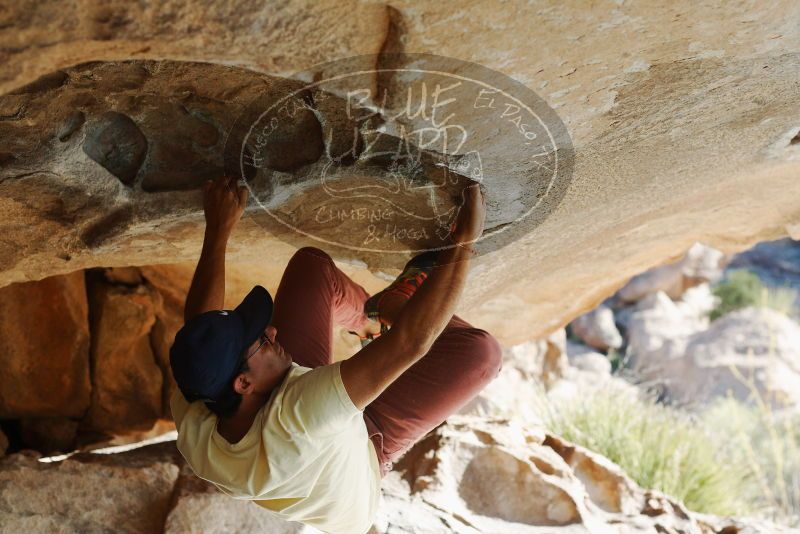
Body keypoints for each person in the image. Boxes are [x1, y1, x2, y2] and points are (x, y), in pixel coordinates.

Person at [169, 174, 502, 534]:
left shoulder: (199, 398)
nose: (272, 330)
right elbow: (411, 343)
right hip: (366, 446)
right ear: (243, 382)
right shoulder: (299, 419)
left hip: (296, 410)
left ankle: (372, 318)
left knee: (312, 269)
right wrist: (465, 241)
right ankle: (396, 307)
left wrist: (218, 228)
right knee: (481, 355)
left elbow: (200, 327)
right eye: (261, 341)